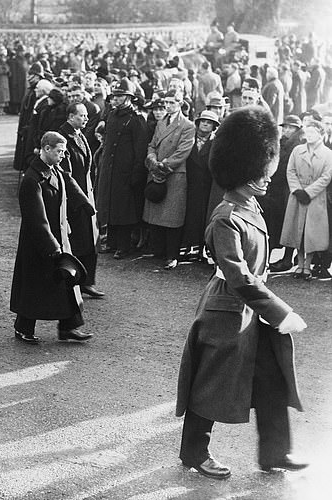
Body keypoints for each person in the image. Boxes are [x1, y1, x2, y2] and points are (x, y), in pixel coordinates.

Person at [176, 106, 310, 479]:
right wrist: (281, 311)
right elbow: (237, 276)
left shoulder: (249, 205)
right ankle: (194, 453)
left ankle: (275, 452)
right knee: (211, 384)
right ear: (242, 174)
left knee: (271, 381)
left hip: (254, 309)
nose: (267, 179)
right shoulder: (225, 216)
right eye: (259, 174)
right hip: (228, 310)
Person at [10, 131, 94, 344]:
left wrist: (85, 205)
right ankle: (23, 327)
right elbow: (36, 219)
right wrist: (53, 247)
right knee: (35, 285)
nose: (63, 155)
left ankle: (69, 327)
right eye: (59, 151)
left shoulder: (53, 169)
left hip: (58, 237)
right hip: (39, 243)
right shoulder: (31, 180)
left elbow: (68, 182)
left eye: (64, 151)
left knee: (66, 281)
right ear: (46, 149)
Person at [95, 80, 148, 259]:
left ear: (129, 98)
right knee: (109, 205)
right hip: (110, 169)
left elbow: (140, 150)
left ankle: (124, 245)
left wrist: (136, 174)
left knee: (124, 210)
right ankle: (111, 241)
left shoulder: (136, 119)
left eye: (120, 96)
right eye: (114, 96)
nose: (116, 99)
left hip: (125, 171)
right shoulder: (111, 115)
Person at [143, 89, 195, 269]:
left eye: (173, 103)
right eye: (166, 103)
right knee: (157, 213)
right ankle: (159, 251)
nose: (168, 106)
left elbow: (183, 151)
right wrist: (152, 159)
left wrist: (164, 165)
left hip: (174, 174)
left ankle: (172, 255)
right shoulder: (161, 123)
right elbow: (152, 144)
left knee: (172, 217)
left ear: (180, 104)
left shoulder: (188, 126)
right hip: (157, 169)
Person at [59, 103, 104, 298]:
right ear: (70, 116)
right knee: (76, 241)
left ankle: (87, 281)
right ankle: (72, 281)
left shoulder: (80, 134)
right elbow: (66, 174)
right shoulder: (64, 138)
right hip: (74, 199)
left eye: (86, 116)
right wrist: (81, 199)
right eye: (81, 116)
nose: (86, 119)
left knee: (91, 240)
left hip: (86, 195)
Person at [279, 120, 332, 279]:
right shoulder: (297, 150)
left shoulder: (328, 154)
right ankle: (299, 264)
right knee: (297, 230)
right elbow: (291, 171)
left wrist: (308, 192)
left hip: (315, 197)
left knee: (311, 233)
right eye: (307, 133)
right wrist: (296, 190)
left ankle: (308, 266)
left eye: (313, 133)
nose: (309, 136)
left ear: (322, 134)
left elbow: (326, 177)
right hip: (297, 195)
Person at [267, 115, 304, 273]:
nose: (287, 130)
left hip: (290, 188)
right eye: (285, 127)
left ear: (297, 129)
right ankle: (283, 257)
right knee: (278, 221)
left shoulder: (298, 144)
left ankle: (288, 258)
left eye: (291, 127)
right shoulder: (282, 142)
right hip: (278, 187)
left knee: (289, 221)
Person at [181, 110, 219, 258]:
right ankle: (186, 245)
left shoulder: (215, 144)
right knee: (188, 215)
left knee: (203, 216)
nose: (205, 124)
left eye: (209, 123)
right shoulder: (188, 139)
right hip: (188, 183)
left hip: (206, 185)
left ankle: (201, 248)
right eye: (203, 121)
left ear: (214, 127)